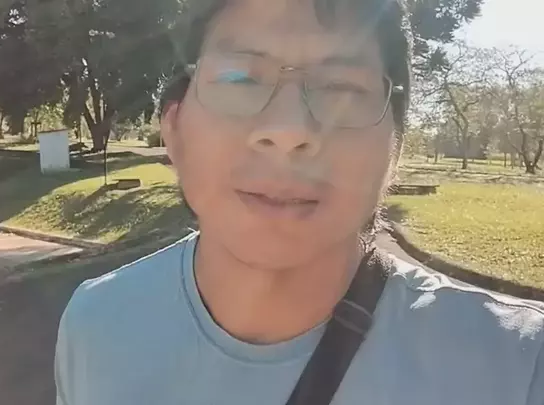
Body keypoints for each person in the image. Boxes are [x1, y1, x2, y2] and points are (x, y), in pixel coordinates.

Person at [54, 0, 544, 404]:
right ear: (174, 131)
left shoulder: (518, 367)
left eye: (340, 88)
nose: (289, 131)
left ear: (394, 150)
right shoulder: (96, 324)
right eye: (240, 79)